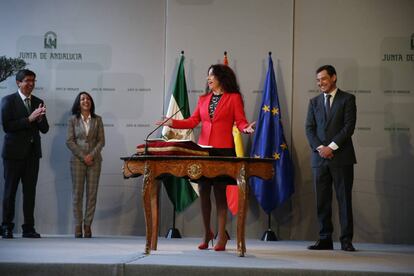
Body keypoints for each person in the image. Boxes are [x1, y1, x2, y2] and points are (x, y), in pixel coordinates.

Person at [157, 64, 255, 251]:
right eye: (207, 75)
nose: (208, 79)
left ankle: (221, 236)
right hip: (203, 150)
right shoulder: (203, 99)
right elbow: (193, 121)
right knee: (203, 193)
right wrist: (172, 122)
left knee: (219, 194)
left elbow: (240, 121)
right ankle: (206, 233)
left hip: (223, 151)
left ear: (221, 77)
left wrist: (246, 128)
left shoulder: (234, 98)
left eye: (211, 75)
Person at [305, 65, 357, 251]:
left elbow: (348, 127)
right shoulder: (314, 102)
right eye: (318, 80)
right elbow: (309, 129)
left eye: (324, 79)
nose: (320, 83)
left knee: (344, 199)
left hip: (341, 157)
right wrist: (321, 148)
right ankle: (325, 238)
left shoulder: (348, 99)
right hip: (320, 159)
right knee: (322, 201)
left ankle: (346, 240)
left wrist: (331, 147)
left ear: (334, 77)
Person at [1, 69, 49, 239]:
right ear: (18, 83)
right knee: (10, 192)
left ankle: (28, 228)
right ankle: (6, 227)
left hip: (32, 155)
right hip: (13, 155)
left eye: (33, 80)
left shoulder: (38, 101)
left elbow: (45, 130)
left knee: (30, 193)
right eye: (27, 80)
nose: (31, 84)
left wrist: (40, 119)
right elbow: (8, 126)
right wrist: (29, 119)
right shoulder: (8, 101)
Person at [66, 92, 105, 238]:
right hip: (77, 161)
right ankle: (78, 226)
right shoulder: (72, 120)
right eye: (82, 99)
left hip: (95, 161)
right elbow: (69, 141)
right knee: (77, 194)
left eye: (88, 98)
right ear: (78, 102)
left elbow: (101, 141)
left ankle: (87, 225)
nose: (85, 101)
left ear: (91, 102)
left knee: (92, 194)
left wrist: (91, 156)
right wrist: (84, 157)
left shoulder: (98, 119)